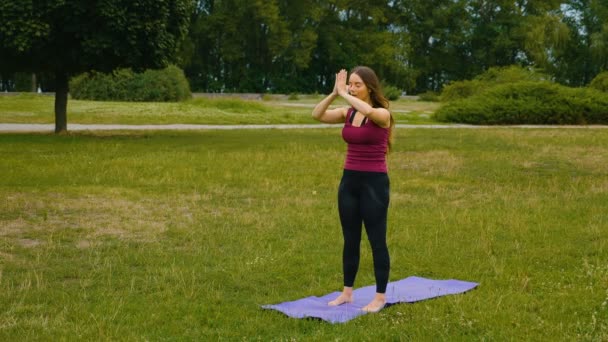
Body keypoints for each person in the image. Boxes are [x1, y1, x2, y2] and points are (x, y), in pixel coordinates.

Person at [312, 66, 394, 313]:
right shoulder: (347, 113)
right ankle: (347, 293)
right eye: (351, 84)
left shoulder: (382, 113)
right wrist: (334, 93)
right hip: (349, 182)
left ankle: (379, 297)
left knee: (376, 240)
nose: (353, 88)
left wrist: (345, 94)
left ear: (370, 87)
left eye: (357, 85)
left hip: (374, 184)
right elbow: (317, 114)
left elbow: (369, 111)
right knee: (350, 239)